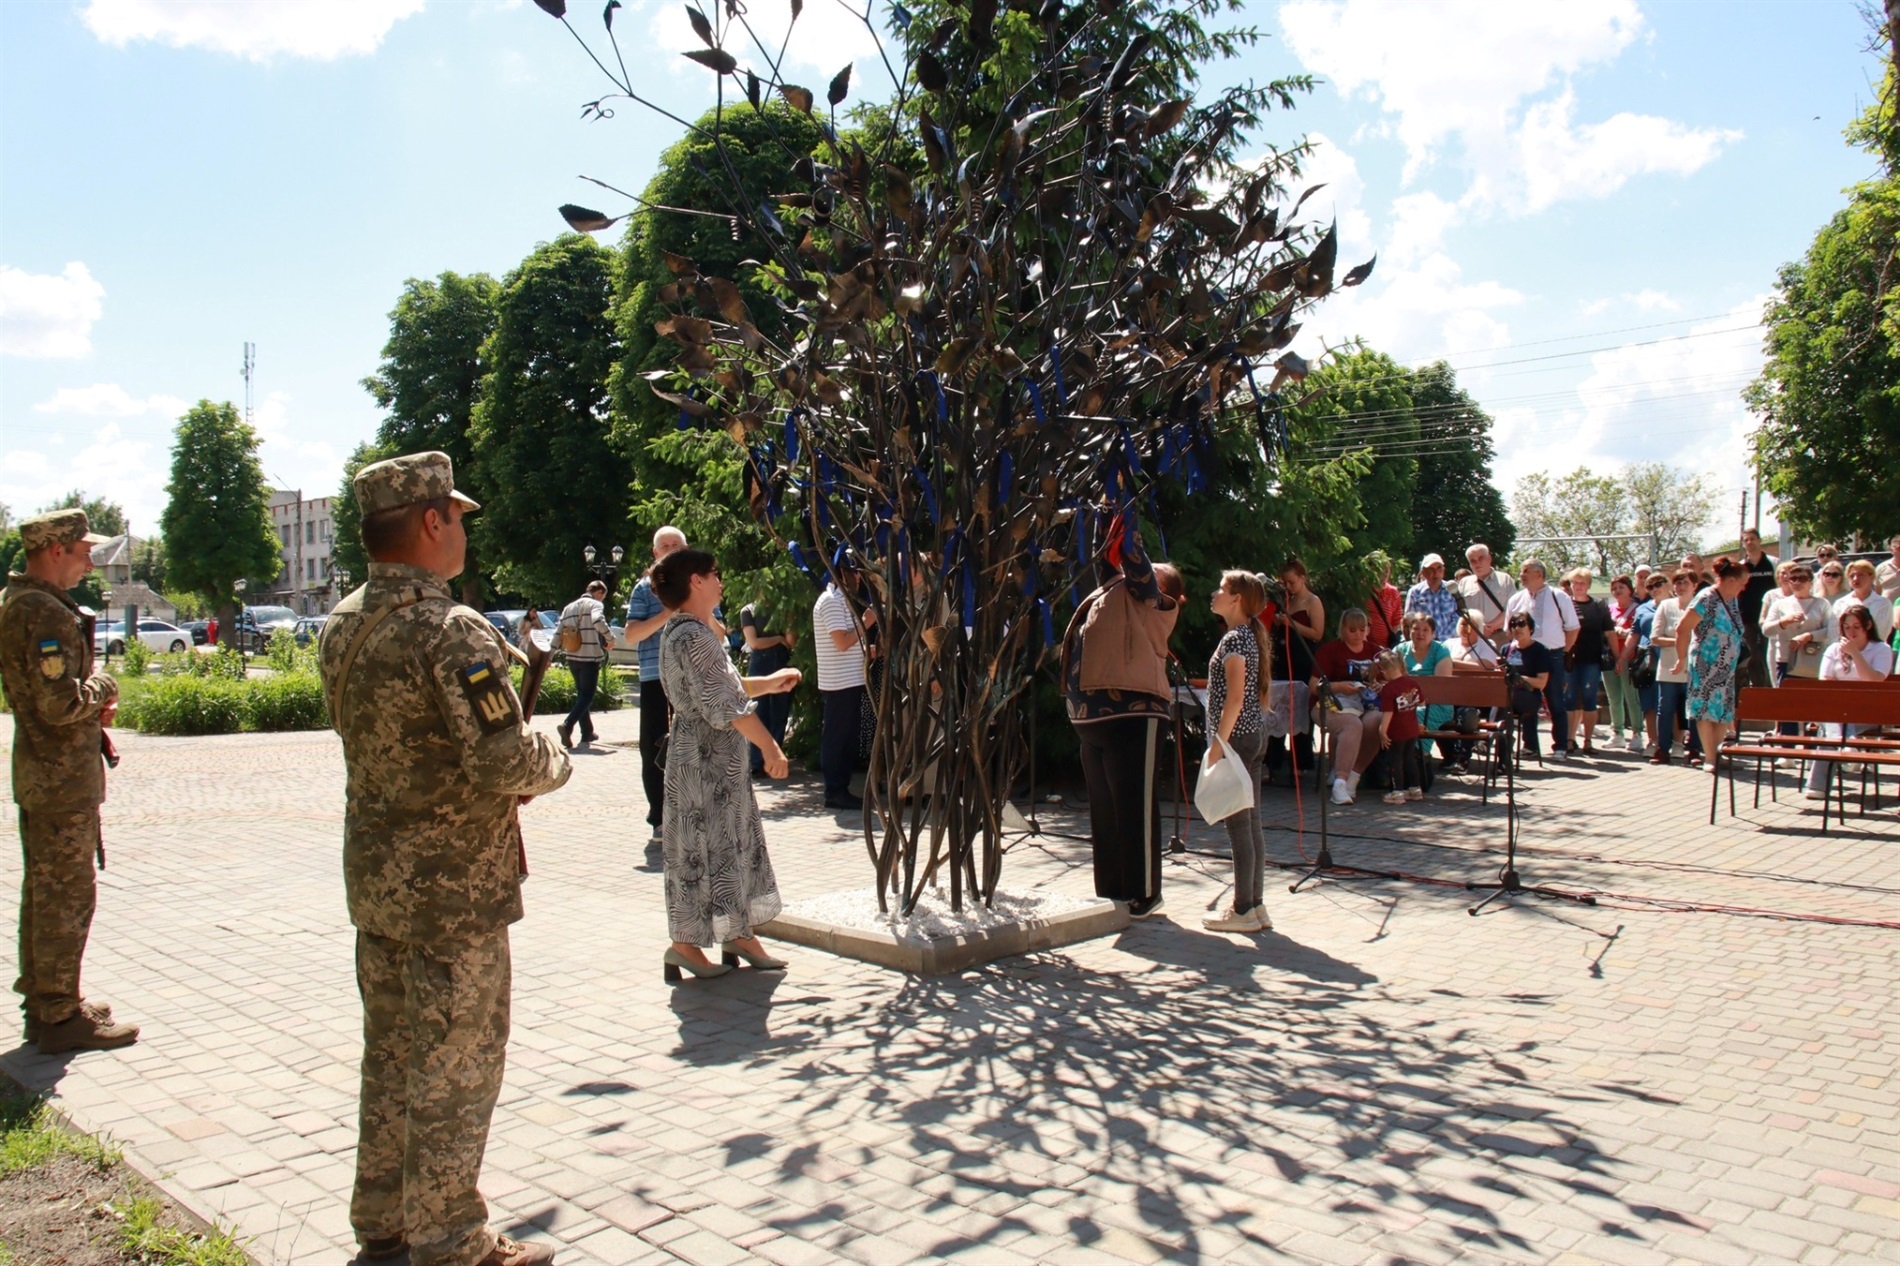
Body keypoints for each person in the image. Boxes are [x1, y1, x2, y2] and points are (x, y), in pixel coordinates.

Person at [317, 451, 572, 1266]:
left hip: (379, 883)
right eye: (457, 516)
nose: (461, 529)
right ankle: (451, 1238)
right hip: (454, 891)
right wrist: (552, 758)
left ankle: (383, 1219)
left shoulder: (343, 622)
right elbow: (503, 762)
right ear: (431, 522)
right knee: (457, 1062)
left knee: (390, 1053)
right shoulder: (451, 627)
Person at [0, 509, 138, 1054]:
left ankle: (50, 1001)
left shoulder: (26, 603)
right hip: (59, 779)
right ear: (55, 550)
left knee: (47, 892)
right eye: (82, 550)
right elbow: (60, 705)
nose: (89, 561)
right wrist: (101, 684)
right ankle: (58, 1016)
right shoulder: (43, 612)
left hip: (46, 774)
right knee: (66, 896)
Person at [650, 550, 800, 979]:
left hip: (709, 760)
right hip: (704, 762)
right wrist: (771, 748)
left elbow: (724, 687)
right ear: (695, 581)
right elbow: (727, 703)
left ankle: (737, 933)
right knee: (701, 849)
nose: (720, 581)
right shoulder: (693, 636)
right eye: (715, 575)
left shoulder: (687, 631)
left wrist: (768, 684)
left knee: (728, 843)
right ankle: (685, 944)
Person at [1062, 515, 1181, 919]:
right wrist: (1103, 511)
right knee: (1105, 810)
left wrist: (1123, 506)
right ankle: (1111, 892)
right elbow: (1105, 557)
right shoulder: (1108, 595)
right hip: (1093, 722)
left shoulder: (1152, 600)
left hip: (1135, 717)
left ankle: (1144, 894)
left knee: (1134, 806)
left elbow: (1129, 554)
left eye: (1152, 570)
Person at [1201, 571, 1272, 933]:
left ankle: (1243, 908)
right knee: (1252, 822)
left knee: (1239, 827)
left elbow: (1234, 697)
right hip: (1251, 737)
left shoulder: (1235, 639)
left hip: (1237, 741)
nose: (1215, 593)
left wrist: (1218, 747)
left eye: (1222, 589)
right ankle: (1255, 906)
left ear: (1237, 599)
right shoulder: (1247, 636)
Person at [623, 527, 688, 844]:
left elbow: (717, 630)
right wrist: (667, 613)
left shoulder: (697, 585)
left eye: (678, 545)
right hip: (654, 678)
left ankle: (690, 814)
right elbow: (632, 634)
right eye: (666, 546)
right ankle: (659, 817)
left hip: (689, 678)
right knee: (652, 747)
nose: (672, 550)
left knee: (692, 746)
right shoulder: (642, 589)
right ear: (655, 553)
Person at [1803, 606, 1895, 800]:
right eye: (1846, 627)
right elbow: (1825, 683)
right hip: (1836, 707)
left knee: (1828, 728)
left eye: (1856, 627)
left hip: (1869, 710)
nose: (1851, 632)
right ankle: (1847, 742)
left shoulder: (1881, 649)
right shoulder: (1833, 649)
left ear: (1868, 626)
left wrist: (1855, 654)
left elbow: (1875, 680)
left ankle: (1817, 784)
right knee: (1831, 720)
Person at [1671, 558, 1750, 773]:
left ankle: (1716, 753)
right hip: (1706, 665)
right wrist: (1681, 658)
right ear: (1731, 580)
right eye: (1742, 582)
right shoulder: (1706, 598)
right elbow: (1682, 628)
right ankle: (1710, 757)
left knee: (1723, 711)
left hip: (1726, 668)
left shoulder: (1732, 600)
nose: (1744, 587)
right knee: (1705, 709)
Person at [813, 558, 874, 811]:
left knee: (847, 737)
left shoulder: (841, 601)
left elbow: (846, 642)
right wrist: (866, 623)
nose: (858, 578)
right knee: (838, 738)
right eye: (854, 573)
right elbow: (841, 642)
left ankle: (841, 787)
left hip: (849, 680)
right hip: (839, 683)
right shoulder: (831, 602)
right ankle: (835, 790)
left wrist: (868, 651)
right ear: (841, 573)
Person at [1504, 561, 1579, 758]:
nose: (1521, 575)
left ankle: (1561, 746)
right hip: (1525, 655)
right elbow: (1508, 631)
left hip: (1553, 654)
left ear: (1539, 574)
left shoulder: (1558, 596)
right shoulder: (1516, 599)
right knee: (1527, 699)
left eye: (1525, 571)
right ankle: (1530, 746)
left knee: (1556, 701)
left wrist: (1563, 653)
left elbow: (1573, 628)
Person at [1310, 609, 1383, 805]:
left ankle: (1353, 777)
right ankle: (1339, 784)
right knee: (1352, 725)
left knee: (1377, 721)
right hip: (1330, 704)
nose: (1359, 635)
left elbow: (1392, 679)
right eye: (1352, 630)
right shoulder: (1330, 650)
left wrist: (1379, 685)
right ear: (1342, 629)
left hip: (1364, 704)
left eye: (1362, 629)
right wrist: (1339, 686)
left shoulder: (1375, 651)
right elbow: (1313, 685)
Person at [739, 597, 796, 779]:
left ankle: (775, 764)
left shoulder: (782, 608)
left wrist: (788, 624)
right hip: (760, 662)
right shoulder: (748, 610)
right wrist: (778, 638)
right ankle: (757, 763)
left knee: (780, 713)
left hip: (781, 660)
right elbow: (754, 643)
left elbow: (790, 642)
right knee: (759, 711)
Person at [1650, 570, 1701, 765]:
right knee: (1665, 709)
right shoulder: (1665, 605)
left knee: (1693, 710)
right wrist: (1679, 641)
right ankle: (1662, 749)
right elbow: (1655, 637)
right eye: (1677, 583)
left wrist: (1685, 643)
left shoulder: (1702, 605)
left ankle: (1694, 750)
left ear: (1695, 585)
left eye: (1685, 583)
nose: (1681, 587)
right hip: (1669, 668)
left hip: (1695, 667)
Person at [555, 581, 611, 750]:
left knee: (582, 694)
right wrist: (610, 638)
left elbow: (558, 632)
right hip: (589, 657)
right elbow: (598, 621)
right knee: (587, 695)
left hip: (572, 657)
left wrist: (549, 654)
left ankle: (587, 732)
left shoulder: (569, 607)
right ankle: (567, 725)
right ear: (599, 593)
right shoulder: (595, 605)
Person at [1562, 568, 1611, 755]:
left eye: (1582, 583)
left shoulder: (1598, 606)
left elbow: (1609, 631)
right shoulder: (1565, 604)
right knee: (1570, 700)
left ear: (1589, 585)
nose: (1578, 586)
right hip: (1570, 660)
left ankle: (1588, 741)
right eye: (1575, 583)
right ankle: (1569, 739)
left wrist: (1618, 656)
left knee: (1590, 701)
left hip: (1591, 660)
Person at [1367, 651, 1425, 804]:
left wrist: (1382, 731)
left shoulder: (1389, 689)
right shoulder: (1412, 683)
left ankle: (1397, 791)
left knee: (1395, 760)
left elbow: (1388, 713)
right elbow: (1421, 702)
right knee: (1409, 758)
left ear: (1384, 671)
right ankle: (1415, 788)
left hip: (1397, 731)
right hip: (1412, 728)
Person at [1501, 612, 1558, 764]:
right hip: (1507, 695)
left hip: (1529, 696)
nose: (1516, 628)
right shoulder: (1506, 649)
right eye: (1513, 625)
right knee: (1498, 700)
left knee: (1506, 699)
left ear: (1531, 628)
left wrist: (1519, 679)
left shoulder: (1540, 651)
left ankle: (1521, 745)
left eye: (1521, 624)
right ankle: (1501, 744)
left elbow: (1541, 683)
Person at [1399, 611, 1453, 763]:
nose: (1420, 634)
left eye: (1425, 630)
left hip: (1436, 704)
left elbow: (1440, 685)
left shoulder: (1440, 650)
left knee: (1414, 714)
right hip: (1404, 701)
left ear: (1433, 633)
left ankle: (1415, 756)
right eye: (1416, 629)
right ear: (1409, 631)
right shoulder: (1400, 650)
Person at [1603, 575, 1644, 753]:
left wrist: (1624, 632)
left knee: (1631, 697)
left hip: (1629, 657)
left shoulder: (1638, 609)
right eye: (1614, 588)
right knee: (1613, 697)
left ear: (1630, 589)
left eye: (1621, 587)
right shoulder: (1609, 609)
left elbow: (1639, 633)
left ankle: (1637, 733)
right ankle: (1617, 733)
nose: (1618, 591)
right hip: (1610, 657)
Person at [1737, 527, 1779, 689]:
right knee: (1753, 657)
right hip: (1747, 618)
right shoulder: (1741, 567)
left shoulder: (1773, 563)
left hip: (1770, 619)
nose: (1749, 543)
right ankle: (1758, 689)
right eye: (1746, 540)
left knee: (1769, 655)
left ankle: (1771, 689)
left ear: (1759, 541)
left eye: (1752, 539)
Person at [1458, 543, 1517, 647]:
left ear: (1489, 558)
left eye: (1481, 558)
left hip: (1500, 636)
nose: (1477, 563)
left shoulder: (1505, 580)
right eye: (1473, 561)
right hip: (1473, 637)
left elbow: (1511, 608)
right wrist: (1479, 628)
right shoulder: (1464, 583)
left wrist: (1491, 627)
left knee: (1499, 663)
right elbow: (1461, 610)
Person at [1403, 553, 1461, 653]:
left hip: (1449, 645)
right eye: (1431, 569)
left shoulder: (1452, 589)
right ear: (1423, 572)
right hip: (1422, 646)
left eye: (1439, 568)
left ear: (1443, 570)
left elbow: (1458, 616)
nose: (1436, 573)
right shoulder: (1415, 592)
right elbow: (1409, 620)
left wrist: (1443, 639)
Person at [1834, 559, 1895, 643]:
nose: (1855, 579)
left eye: (1861, 575)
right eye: (1852, 576)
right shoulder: (1840, 603)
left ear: (1872, 577)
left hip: (1873, 652)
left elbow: (1882, 634)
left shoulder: (1883, 604)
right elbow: (1834, 632)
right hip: (1844, 651)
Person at [1365, 551, 1404, 652]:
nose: (1386, 571)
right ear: (1371, 569)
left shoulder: (1393, 592)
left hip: (1386, 648)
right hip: (1365, 647)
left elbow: (1396, 622)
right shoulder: (1362, 590)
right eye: (1382, 567)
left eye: (1388, 568)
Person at [1877, 535, 1900, 602]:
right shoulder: (1881, 568)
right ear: (1891, 550)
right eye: (1899, 548)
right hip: (1887, 610)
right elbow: (1877, 591)